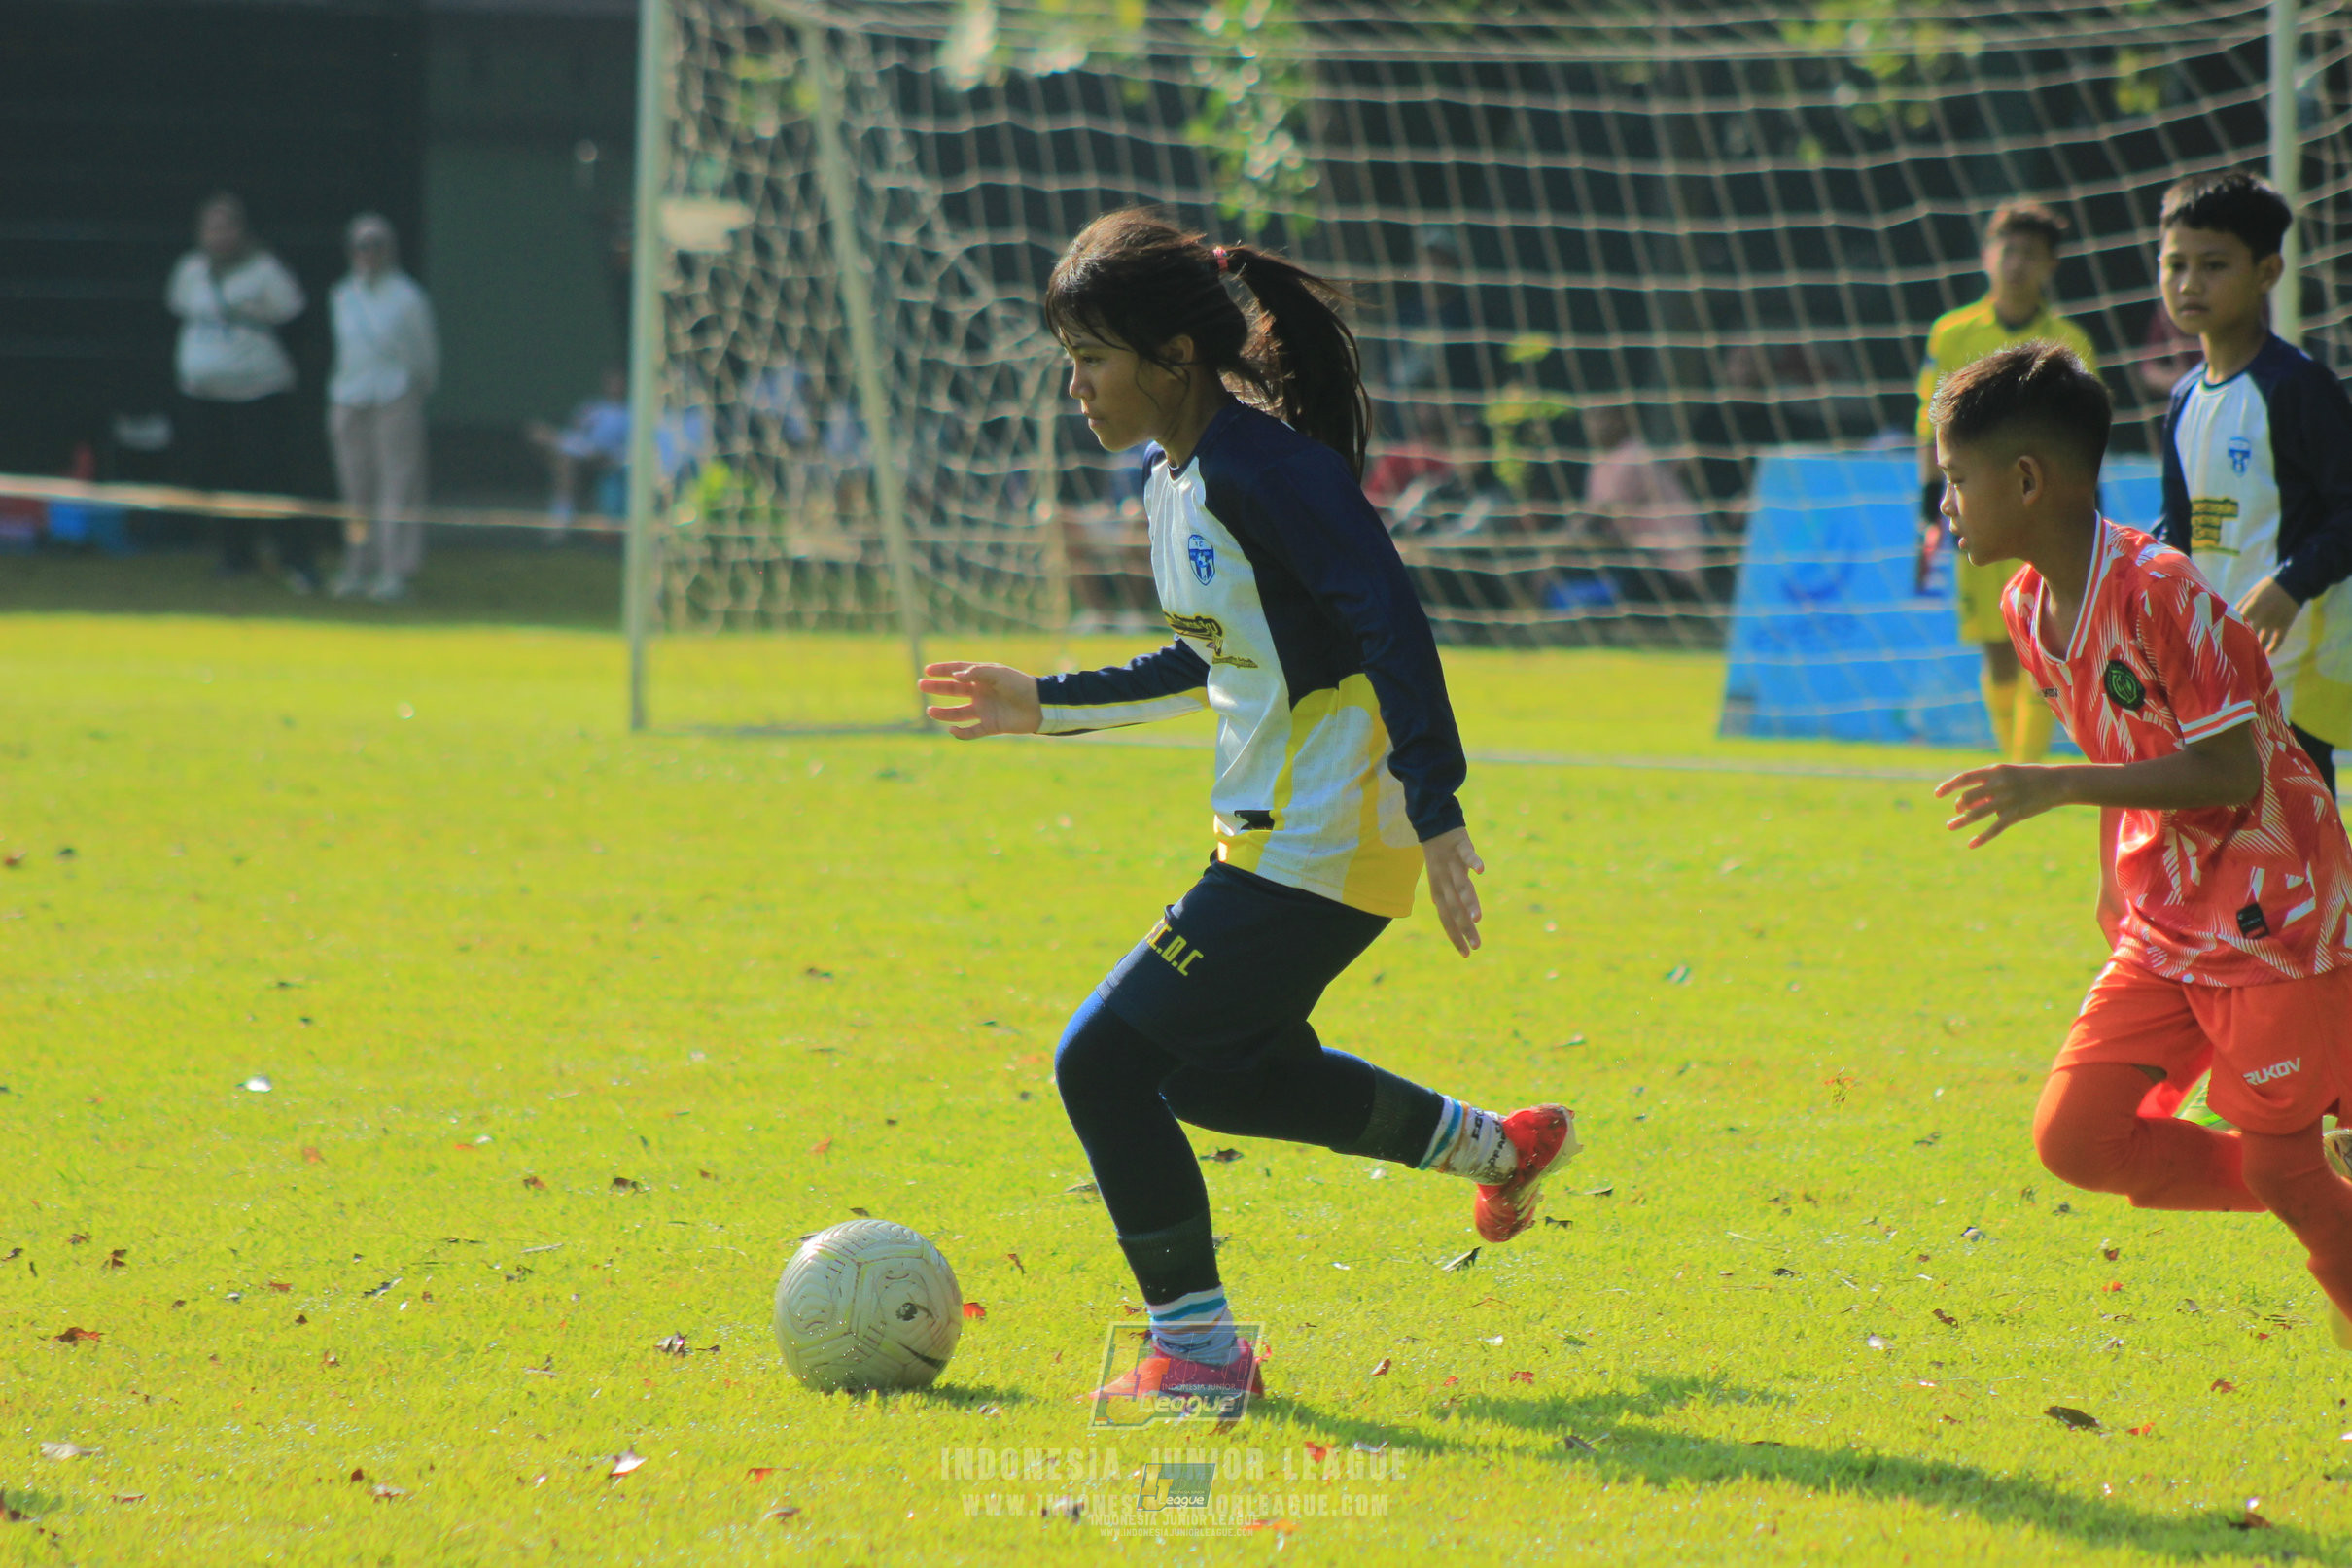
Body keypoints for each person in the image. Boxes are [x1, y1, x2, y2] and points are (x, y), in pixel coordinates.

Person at [915, 210, 1577, 1411]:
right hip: (1279, 838)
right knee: (1217, 1078)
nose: (1076, 387)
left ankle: (1203, 1357)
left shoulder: (1268, 471)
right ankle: (1500, 1147)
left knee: (1101, 1061)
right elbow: (1208, 655)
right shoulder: (1176, 478)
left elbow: (1390, 618)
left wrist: (1437, 806)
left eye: (1092, 358)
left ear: (1173, 355)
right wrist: (1042, 701)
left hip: (1325, 839)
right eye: (1068, 358)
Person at [1930, 341, 2352, 1350]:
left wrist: (2057, 787)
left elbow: (2229, 774)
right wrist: (2110, 880)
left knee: (2283, 1163)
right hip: (2164, 915)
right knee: (2075, 1138)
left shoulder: (2160, 587)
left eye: (1953, 477)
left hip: (2273, 911)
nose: (1944, 501)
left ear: (2024, 479)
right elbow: (2115, 741)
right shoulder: (2029, 605)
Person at [2154, 170, 2352, 794]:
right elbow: (2179, 533)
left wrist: (2291, 584)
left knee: (2303, 851)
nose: (2189, 283)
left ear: (2267, 272)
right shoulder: (2184, 399)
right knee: (2227, 848)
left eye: (2213, 265)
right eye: (2174, 264)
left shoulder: (2297, 388)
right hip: (2214, 666)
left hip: (2298, 671)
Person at [1914, 200, 2100, 763]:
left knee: (2045, 639)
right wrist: (1932, 505)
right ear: (1987, 256)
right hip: (1975, 507)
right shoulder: (1952, 332)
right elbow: (1929, 422)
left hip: (2043, 509)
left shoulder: (2070, 339)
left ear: (2049, 267)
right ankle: (2014, 759)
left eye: (2030, 254)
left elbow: (2085, 435)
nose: (2017, 263)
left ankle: (2029, 767)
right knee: (1996, 646)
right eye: (2008, 249)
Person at [166, 192, 315, 589]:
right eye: (212, 227)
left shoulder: (266, 270)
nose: (220, 235)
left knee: (268, 473)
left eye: (227, 226)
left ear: (242, 230)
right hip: (203, 395)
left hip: (259, 394)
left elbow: (294, 317)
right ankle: (236, 557)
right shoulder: (189, 270)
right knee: (220, 476)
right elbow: (180, 313)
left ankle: (296, 559)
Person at [326, 213, 439, 602]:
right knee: (356, 490)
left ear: (388, 249)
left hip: (395, 396)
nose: (368, 252)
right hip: (349, 397)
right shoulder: (341, 295)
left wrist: (415, 389)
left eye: (375, 244)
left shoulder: (407, 296)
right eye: (361, 245)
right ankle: (358, 566)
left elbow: (426, 355)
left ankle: (394, 570)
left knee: (398, 487)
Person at [526, 366, 630, 536]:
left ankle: (563, 516)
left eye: (619, 382)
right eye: (611, 381)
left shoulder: (631, 411)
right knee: (559, 456)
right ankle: (562, 516)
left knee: (563, 450)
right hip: (586, 450)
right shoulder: (592, 407)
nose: (615, 386)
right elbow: (576, 430)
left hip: (615, 457)